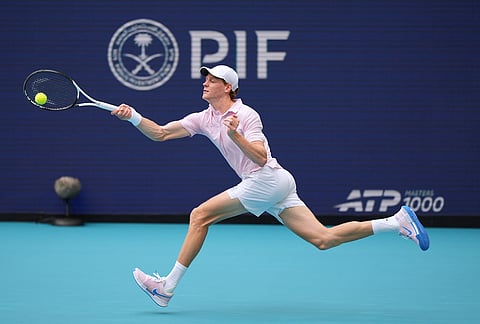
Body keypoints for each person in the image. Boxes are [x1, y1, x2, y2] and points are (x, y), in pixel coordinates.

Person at [112, 65, 430, 308]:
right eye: (204, 79)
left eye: (211, 79)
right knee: (323, 238)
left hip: (266, 179)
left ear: (228, 87)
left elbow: (262, 158)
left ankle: (166, 287)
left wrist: (236, 135)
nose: (204, 82)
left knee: (200, 215)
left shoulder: (247, 115)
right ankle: (395, 222)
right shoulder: (203, 118)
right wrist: (134, 117)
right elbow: (162, 134)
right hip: (274, 185)